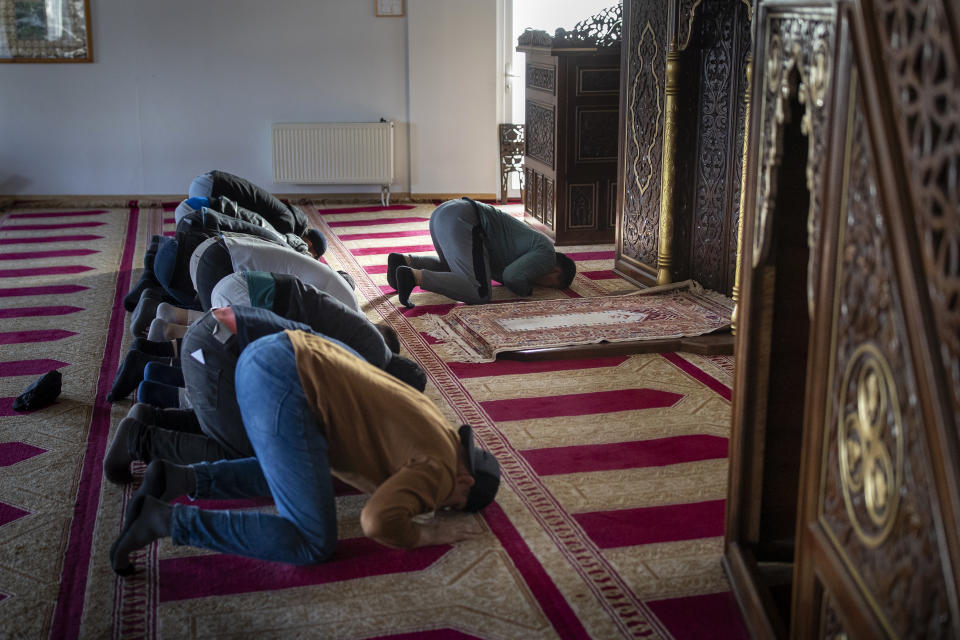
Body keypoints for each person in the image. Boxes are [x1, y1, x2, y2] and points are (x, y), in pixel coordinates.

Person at [110, 329, 501, 574]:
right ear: (464, 480)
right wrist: (428, 533)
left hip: (270, 352)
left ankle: (179, 478)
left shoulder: (437, 426)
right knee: (312, 541)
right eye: (450, 504)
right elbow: (378, 522)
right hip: (286, 385)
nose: (434, 505)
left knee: (312, 478)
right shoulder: (443, 469)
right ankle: (165, 521)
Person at [104, 303, 425, 481]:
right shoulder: (356, 377)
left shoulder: (359, 345)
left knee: (237, 421)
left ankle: (153, 417)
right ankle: (140, 439)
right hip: (211, 352)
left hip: (213, 326)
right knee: (242, 452)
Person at [385, 197, 577, 308]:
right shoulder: (547, 253)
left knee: (455, 271)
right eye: (550, 285)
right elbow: (512, 277)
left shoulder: (522, 251)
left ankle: (405, 262)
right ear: (556, 273)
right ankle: (414, 277)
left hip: (444, 214)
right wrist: (527, 291)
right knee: (481, 293)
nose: (542, 284)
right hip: (466, 219)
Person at [190, 234, 358, 312]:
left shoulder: (334, 286)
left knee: (215, 332)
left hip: (218, 253)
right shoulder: (346, 307)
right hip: (226, 265)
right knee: (221, 341)